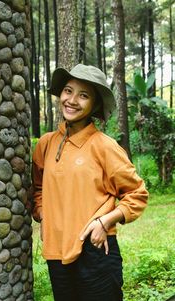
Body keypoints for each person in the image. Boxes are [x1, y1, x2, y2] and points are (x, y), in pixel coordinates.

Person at [31, 64, 148, 301]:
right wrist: (44, 216)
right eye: (68, 91)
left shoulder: (104, 146)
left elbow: (137, 193)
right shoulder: (46, 144)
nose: (72, 100)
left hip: (96, 253)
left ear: (94, 105)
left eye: (83, 95)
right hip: (57, 253)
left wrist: (105, 222)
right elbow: (38, 188)